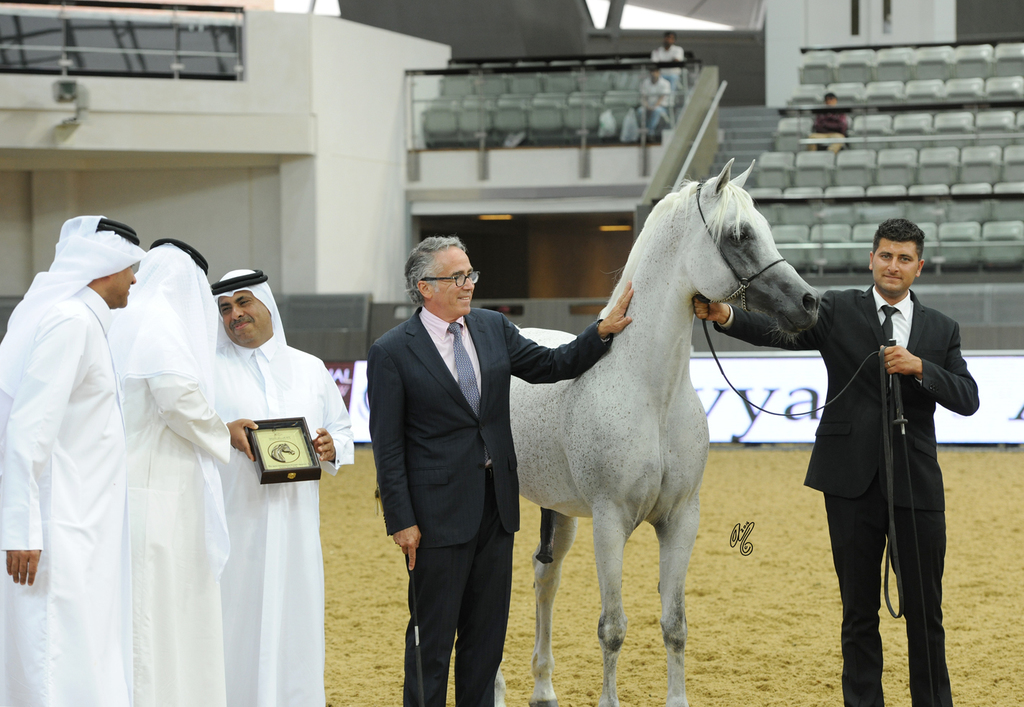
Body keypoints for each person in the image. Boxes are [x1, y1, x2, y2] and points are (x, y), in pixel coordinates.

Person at [694, 218, 979, 707]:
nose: (894, 265)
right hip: (849, 482)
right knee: (858, 612)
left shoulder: (941, 329)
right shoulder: (835, 308)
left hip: (917, 484)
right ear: (871, 259)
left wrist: (921, 367)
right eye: (886, 255)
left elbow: (968, 398)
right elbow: (780, 330)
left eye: (904, 258)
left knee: (927, 613)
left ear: (919, 268)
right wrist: (727, 316)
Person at [368, 236, 634, 707]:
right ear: (424, 287)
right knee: (431, 643)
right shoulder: (392, 351)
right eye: (457, 277)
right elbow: (388, 448)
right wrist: (401, 521)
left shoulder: (491, 327)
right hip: (434, 520)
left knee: (485, 643)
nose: (468, 284)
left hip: (496, 511)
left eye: (470, 274)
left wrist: (600, 332)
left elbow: (553, 365)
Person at [0, 216, 145, 707]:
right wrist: (21, 530)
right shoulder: (71, 322)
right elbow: (28, 429)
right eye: (131, 268)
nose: (134, 279)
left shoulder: (85, 323)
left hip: (86, 521)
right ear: (107, 266)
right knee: (55, 653)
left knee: (82, 646)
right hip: (59, 525)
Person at [210, 269, 354, 707]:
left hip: (296, 528)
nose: (236, 314)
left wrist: (332, 447)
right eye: (225, 308)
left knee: (296, 624)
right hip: (235, 528)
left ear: (267, 304)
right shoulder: (206, 371)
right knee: (233, 626)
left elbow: (343, 429)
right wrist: (222, 431)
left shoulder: (309, 368)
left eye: (244, 302)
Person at [107, 239, 232, 707]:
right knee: (153, 612)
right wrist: (226, 434)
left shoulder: (128, 317)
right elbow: (177, 397)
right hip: (157, 492)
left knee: (157, 609)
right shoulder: (158, 319)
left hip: (145, 485)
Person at [638, 66, 673, 139]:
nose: (653, 74)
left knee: (657, 111)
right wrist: (647, 106)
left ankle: (649, 132)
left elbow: (662, 97)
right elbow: (643, 97)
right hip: (648, 106)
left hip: (661, 106)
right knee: (640, 111)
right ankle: (644, 130)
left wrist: (654, 106)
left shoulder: (665, 83)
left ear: (659, 73)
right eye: (651, 72)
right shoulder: (645, 82)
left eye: (655, 72)